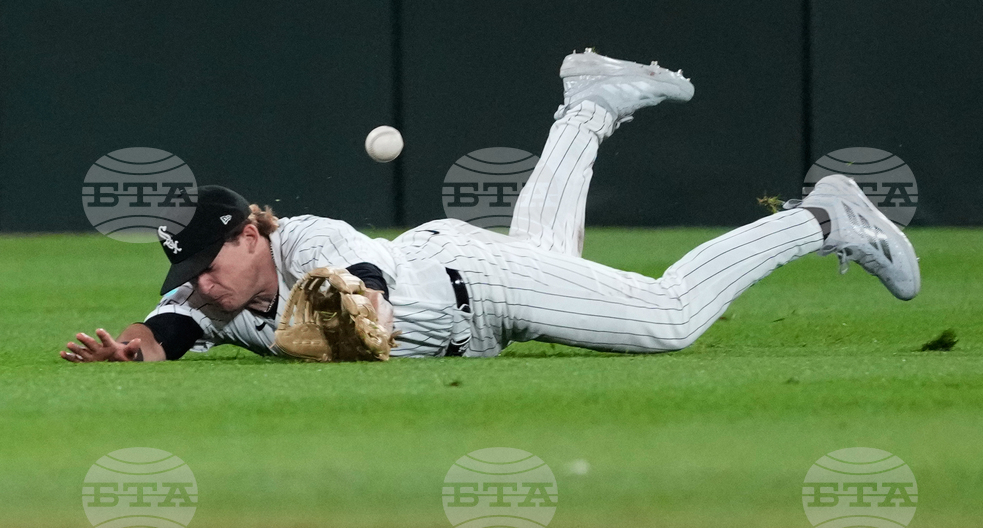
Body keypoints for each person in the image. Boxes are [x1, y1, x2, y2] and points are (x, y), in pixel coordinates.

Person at [60, 50, 920, 363]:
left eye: (209, 264)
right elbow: (163, 330)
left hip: (477, 280)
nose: (203, 285)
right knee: (565, 254)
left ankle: (822, 217)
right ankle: (588, 102)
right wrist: (127, 352)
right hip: (470, 301)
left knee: (669, 318)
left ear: (251, 230)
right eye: (190, 274)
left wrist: (355, 304)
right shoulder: (212, 295)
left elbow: (366, 273)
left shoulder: (306, 242)